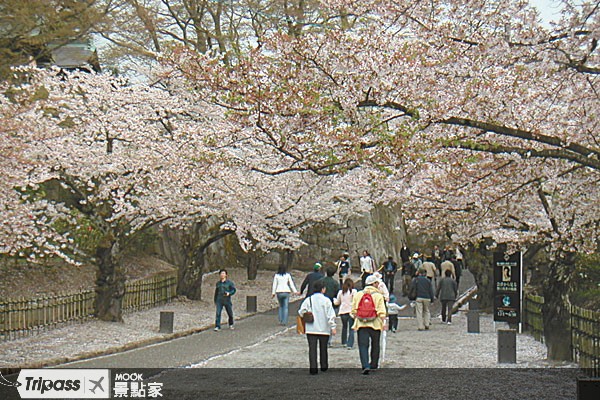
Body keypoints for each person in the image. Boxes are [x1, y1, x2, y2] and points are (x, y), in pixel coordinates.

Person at [298, 280, 336, 375]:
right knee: (323, 348)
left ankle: (313, 368)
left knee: (312, 349)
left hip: (311, 328)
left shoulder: (309, 299)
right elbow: (330, 315)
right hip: (324, 328)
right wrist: (333, 326)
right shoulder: (326, 300)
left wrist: (307, 314)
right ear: (323, 289)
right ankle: (324, 366)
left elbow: (301, 311)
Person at [351, 275, 386, 375]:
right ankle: (374, 364)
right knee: (375, 344)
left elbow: (353, 310)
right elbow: (381, 311)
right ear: (374, 284)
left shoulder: (358, 294)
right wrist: (383, 322)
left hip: (361, 324)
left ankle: (365, 365)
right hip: (375, 324)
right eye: (377, 283)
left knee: (363, 345)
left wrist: (357, 318)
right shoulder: (378, 295)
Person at [334, 278, 357, 349]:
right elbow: (356, 301)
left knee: (344, 327)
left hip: (343, 311)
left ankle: (343, 341)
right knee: (351, 328)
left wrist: (333, 300)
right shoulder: (354, 291)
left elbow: (337, 302)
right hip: (351, 311)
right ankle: (350, 344)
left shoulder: (341, 292)